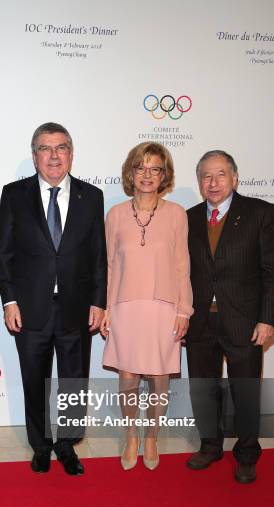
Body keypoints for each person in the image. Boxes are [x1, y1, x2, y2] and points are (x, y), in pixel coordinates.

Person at [0, 122, 107, 476]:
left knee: (73, 381)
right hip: (30, 308)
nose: (54, 155)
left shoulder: (91, 197)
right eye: (46, 149)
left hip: (76, 307)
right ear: (34, 157)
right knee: (35, 380)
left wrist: (99, 301)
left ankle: (67, 444)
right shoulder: (14, 194)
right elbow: (4, 254)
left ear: (71, 154)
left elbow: (98, 255)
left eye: (61, 148)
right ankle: (41, 445)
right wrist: (9, 301)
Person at [185, 150, 274, 483]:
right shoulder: (188, 217)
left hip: (244, 320)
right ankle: (210, 445)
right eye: (206, 176)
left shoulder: (261, 213)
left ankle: (246, 453)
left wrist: (266, 319)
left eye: (220, 175)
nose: (213, 183)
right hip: (200, 320)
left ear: (235, 178)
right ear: (199, 181)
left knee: (245, 390)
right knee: (203, 387)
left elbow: (273, 272)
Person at [100, 142, 193, 470]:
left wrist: (184, 310)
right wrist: (107, 309)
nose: (147, 175)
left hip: (165, 307)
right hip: (125, 307)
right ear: (130, 172)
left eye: (155, 169)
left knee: (159, 379)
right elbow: (110, 266)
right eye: (141, 168)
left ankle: (151, 434)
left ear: (164, 174)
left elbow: (183, 265)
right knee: (127, 377)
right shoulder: (114, 215)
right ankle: (132, 435)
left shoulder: (177, 214)